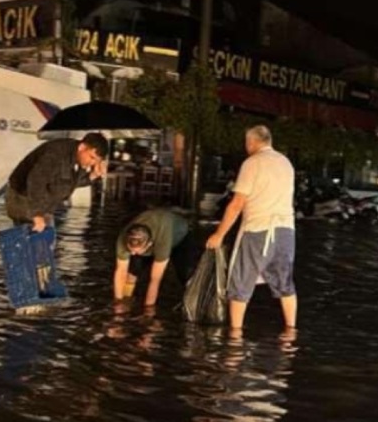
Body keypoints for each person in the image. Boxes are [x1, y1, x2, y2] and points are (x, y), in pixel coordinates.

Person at [206, 125, 297, 332]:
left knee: (240, 282)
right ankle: (291, 332)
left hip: (258, 229)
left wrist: (219, 234)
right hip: (286, 231)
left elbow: (237, 203)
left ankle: (235, 337)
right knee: (285, 284)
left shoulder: (252, 163)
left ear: (252, 142)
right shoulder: (286, 162)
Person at [5, 133, 109, 232]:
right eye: (91, 157)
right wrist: (36, 214)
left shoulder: (79, 160)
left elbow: (70, 184)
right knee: (31, 242)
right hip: (23, 198)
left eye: (96, 161)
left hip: (44, 204)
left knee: (45, 243)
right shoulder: (55, 153)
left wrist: (93, 175)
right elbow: (36, 180)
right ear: (82, 147)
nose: (92, 163)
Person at [113, 208, 193, 308]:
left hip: (179, 236)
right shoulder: (123, 238)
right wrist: (118, 306)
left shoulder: (161, 243)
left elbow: (155, 280)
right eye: (131, 250)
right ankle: (126, 300)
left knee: (185, 275)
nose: (132, 253)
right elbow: (120, 272)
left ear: (149, 244)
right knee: (132, 272)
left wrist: (148, 312)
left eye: (136, 251)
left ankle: (191, 304)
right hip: (153, 230)